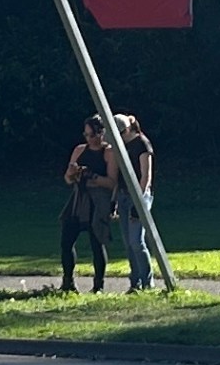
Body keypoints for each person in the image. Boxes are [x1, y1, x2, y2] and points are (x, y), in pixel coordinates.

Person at [59, 116, 117, 292]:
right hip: (79, 198)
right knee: (66, 240)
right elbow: (68, 179)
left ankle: (98, 285)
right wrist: (72, 174)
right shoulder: (79, 150)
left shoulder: (109, 153)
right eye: (86, 135)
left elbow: (112, 182)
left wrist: (92, 176)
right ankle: (68, 282)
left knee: (96, 242)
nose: (89, 139)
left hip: (97, 200)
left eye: (92, 135)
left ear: (101, 133)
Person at [117, 112, 161, 292]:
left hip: (139, 196)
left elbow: (146, 176)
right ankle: (134, 283)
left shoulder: (142, 144)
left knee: (136, 241)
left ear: (125, 130)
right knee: (128, 242)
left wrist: (139, 202)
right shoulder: (121, 146)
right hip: (122, 194)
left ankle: (147, 282)